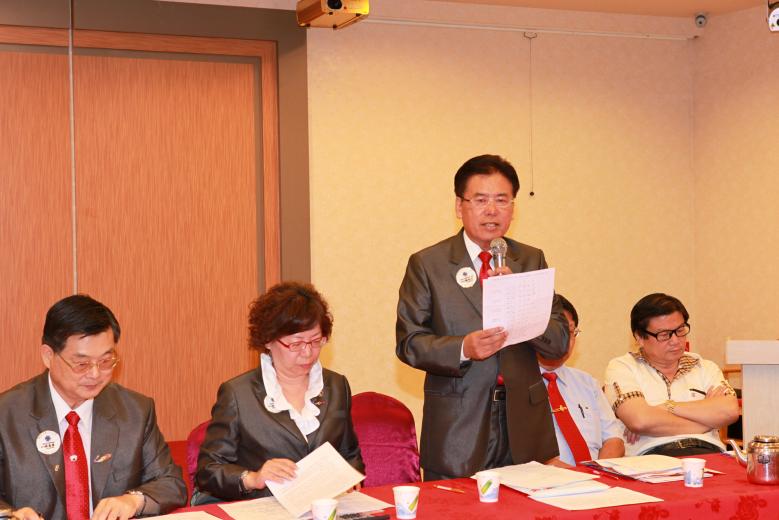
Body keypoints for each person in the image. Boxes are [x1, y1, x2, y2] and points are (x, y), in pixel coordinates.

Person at [396, 154, 570, 480]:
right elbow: (410, 343)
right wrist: (464, 348)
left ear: (513, 208)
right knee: (456, 507)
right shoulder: (428, 264)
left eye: (502, 200)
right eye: (480, 200)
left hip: (524, 424)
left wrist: (520, 304)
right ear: (459, 206)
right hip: (458, 425)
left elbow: (559, 342)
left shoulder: (530, 259)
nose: (492, 210)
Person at [0, 295, 187, 520]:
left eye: (106, 361)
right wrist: (9, 515)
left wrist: (133, 500)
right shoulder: (6, 414)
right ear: (48, 356)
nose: (95, 374)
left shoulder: (135, 411)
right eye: (82, 364)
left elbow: (171, 483)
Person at [195, 282, 363, 502]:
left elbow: (349, 454)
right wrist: (253, 478)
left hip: (325, 509)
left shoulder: (336, 386)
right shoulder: (238, 394)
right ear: (268, 340)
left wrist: (350, 477)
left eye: (316, 341)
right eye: (296, 344)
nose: (308, 353)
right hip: (265, 507)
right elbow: (208, 471)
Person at [604, 293, 739, 456]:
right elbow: (640, 421)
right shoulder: (623, 367)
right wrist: (708, 422)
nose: (675, 340)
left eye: (680, 330)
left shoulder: (705, 367)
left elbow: (730, 411)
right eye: (664, 334)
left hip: (709, 453)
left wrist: (667, 406)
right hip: (652, 456)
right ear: (639, 337)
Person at [537, 295, 624, 466]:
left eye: (569, 332)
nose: (564, 341)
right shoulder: (510, 386)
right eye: (555, 332)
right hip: (548, 478)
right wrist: (575, 476)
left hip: (596, 475)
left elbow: (614, 440)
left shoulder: (587, 383)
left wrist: (597, 473)